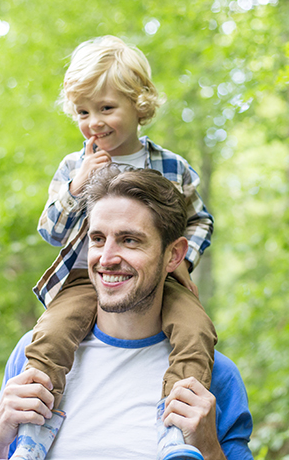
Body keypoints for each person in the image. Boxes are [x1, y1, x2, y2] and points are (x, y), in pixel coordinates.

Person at [0, 166, 253, 460]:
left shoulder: (214, 376)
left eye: (130, 240)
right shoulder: (33, 353)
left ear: (174, 255)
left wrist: (210, 449)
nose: (107, 258)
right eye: (98, 239)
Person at [25, 35, 217, 441]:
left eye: (106, 108)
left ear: (139, 105)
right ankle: (33, 429)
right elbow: (50, 231)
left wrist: (181, 260)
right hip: (83, 278)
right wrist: (76, 188)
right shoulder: (73, 166)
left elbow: (200, 221)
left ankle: (177, 428)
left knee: (196, 329)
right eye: (83, 111)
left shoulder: (170, 166)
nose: (93, 121)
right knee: (51, 335)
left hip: (157, 279)